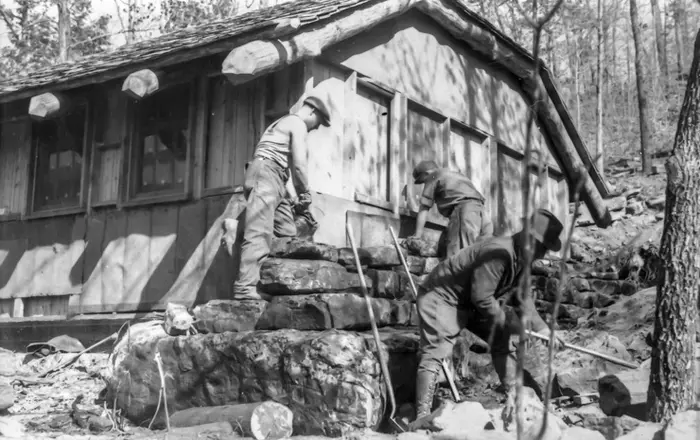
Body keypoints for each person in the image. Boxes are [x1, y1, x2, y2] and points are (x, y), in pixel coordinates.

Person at [411, 208, 566, 426]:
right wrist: (510, 324)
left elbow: (523, 298)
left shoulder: (522, 257)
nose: (543, 254)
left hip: (469, 302)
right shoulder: (499, 253)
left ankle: (517, 396)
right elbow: (482, 298)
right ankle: (421, 417)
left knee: (501, 336)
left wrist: (543, 330)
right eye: (542, 247)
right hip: (442, 296)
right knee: (437, 349)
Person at [232, 89, 331, 300]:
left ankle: (275, 284)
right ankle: (245, 287)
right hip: (266, 174)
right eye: (319, 123)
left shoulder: (283, 123)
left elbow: (282, 166)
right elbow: (299, 165)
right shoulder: (297, 124)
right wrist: (305, 192)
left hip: (272, 176)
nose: (316, 129)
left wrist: (292, 197)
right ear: (312, 111)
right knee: (259, 232)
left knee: (287, 232)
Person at [409, 161, 493, 258]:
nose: (424, 184)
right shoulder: (457, 175)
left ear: (426, 174)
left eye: (423, 181)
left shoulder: (433, 176)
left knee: (458, 258)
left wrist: (417, 235)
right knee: (478, 256)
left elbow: (424, 208)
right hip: (482, 213)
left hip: (466, 212)